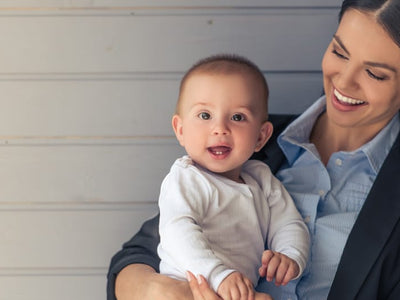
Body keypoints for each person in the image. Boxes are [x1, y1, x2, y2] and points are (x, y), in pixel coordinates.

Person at [107, 0, 400, 299]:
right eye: (340, 52)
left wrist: (291, 257)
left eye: (375, 74)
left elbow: (289, 228)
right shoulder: (237, 144)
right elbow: (135, 259)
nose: (344, 81)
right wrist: (171, 293)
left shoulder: (255, 160)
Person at [156, 54, 310, 300]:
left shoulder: (261, 179)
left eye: (237, 117)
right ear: (181, 130)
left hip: (238, 291)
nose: (220, 128)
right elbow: (177, 232)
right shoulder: (186, 179)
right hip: (188, 286)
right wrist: (218, 274)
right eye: (205, 115)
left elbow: (289, 223)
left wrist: (290, 255)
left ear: (261, 136)